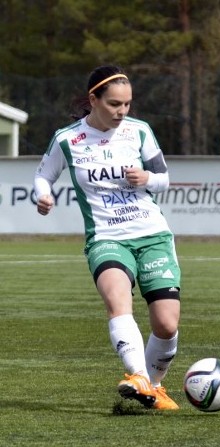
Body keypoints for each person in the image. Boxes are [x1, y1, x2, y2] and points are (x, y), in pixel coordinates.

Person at [34, 65, 181, 409]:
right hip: (106, 237)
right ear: (94, 100)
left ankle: (153, 387)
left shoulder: (139, 131)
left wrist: (147, 178)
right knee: (117, 300)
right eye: (115, 104)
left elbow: (164, 178)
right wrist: (43, 196)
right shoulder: (67, 139)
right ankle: (138, 375)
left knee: (166, 324)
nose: (122, 111)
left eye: (127, 104)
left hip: (152, 234)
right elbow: (43, 175)